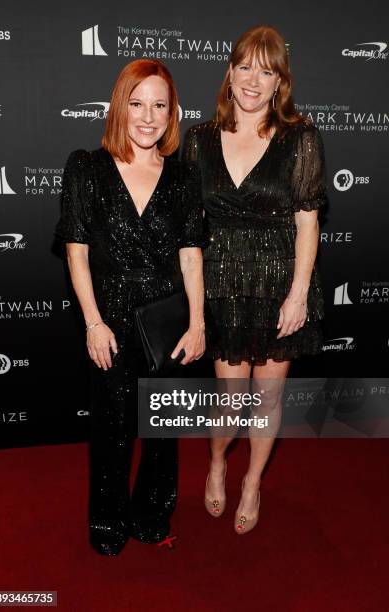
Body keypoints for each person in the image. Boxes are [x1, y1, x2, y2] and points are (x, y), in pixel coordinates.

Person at [55, 59, 206, 555]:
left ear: (171, 113)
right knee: (114, 427)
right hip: (112, 315)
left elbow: (191, 254)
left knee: (163, 428)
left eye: (159, 105)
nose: (148, 116)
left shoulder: (183, 178)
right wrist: (93, 322)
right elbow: (76, 251)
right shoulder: (87, 167)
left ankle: (152, 513)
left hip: (167, 316)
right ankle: (107, 523)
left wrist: (198, 322)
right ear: (121, 107)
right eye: (137, 103)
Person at [182, 25, 327, 534]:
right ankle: (219, 462)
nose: (252, 79)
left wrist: (298, 296)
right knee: (230, 402)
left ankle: (252, 481)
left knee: (266, 401)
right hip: (222, 287)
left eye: (265, 71)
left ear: (279, 83)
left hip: (278, 287)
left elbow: (308, 222)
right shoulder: (198, 140)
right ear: (229, 72)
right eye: (245, 66)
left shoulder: (300, 138)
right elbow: (186, 228)